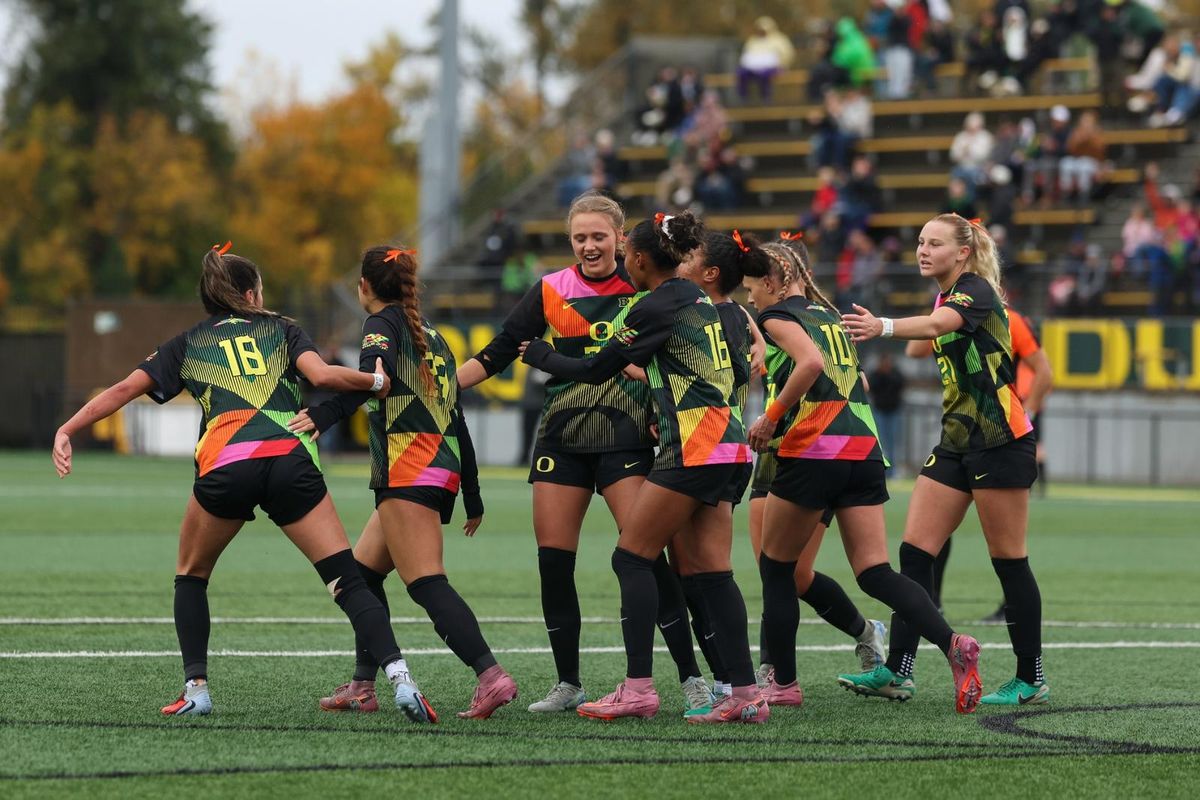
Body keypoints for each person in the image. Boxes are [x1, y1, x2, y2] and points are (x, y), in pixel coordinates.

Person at [51, 242, 424, 719]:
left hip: (227, 465)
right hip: (290, 460)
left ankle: (196, 690)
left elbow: (124, 388)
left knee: (191, 575)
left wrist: (67, 430)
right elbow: (322, 375)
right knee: (346, 581)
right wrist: (374, 382)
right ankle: (401, 678)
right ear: (250, 295)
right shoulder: (282, 328)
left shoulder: (188, 342)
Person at [456, 192, 713, 714]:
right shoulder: (550, 288)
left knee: (648, 560)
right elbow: (499, 351)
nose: (589, 246)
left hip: (628, 440)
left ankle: (691, 678)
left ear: (621, 238)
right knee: (554, 563)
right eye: (579, 238)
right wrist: (442, 388)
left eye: (598, 236)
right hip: (561, 440)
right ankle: (567, 683)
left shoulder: (645, 286)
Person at [522, 211, 765, 725]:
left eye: (626, 254)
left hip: (693, 446)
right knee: (713, 574)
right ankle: (745, 694)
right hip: (730, 445)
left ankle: (637, 690)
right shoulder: (698, 299)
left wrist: (541, 354)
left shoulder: (654, 304)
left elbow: (594, 369)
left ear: (636, 258)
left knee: (631, 558)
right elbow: (709, 366)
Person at [741, 239, 982, 715]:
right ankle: (952, 642)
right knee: (875, 572)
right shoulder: (830, 319)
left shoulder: (777, 318)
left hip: (814, 450)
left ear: (773, 281)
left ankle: (783, 682)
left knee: (777, 568)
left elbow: (810, 364)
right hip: (864, 450)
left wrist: (771, 416)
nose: (751, 297)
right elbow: (860, 381)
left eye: (753, 287)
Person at [291, 245, 517, 721]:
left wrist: (324, 415)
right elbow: (456, 418)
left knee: (426, 582)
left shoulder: (381, 324)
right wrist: (472, 491)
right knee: (362, 576)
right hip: (441, 466)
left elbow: (374, 380)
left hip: (407, 466)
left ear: (364, 286)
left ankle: (491, 676)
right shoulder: (432, 335)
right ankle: (362, 686)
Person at [841, 213, 1050, 707]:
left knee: (1009, 561)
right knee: (916, 554)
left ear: (963, 252)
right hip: (957, 441)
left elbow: (935, 328)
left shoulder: (976, 289)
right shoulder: (949, 296)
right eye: (920, 241)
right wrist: (932, 308)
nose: (922, 250)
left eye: (934, 243)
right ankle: (899, 671)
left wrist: (883, 324)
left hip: (1000, 440)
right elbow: (925, 342)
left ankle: (1031, 678)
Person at [747, 235, 889, 690]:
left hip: (812, 449)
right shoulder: (765, 316)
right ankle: (775, 668)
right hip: (775, 452)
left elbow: (850, 378)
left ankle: (859, 636)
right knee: (775, 569)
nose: (751, 292)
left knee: (790, 572)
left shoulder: (801, 318)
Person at [736, 16, 795, 102]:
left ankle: (766, 99)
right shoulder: (753, 40)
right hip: (753, 68)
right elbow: (746, 54)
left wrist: (780, 63)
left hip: (773, 68)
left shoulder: (779, 40)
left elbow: (788, 54)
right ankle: (743, 98)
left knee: (764, 75)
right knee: (741, 73)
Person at [868, 352, 906, 475]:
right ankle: (882, 470)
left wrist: (888, 375)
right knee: (880, 441)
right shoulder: (875, 375)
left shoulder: (895, 373)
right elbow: (871, 387)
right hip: (879, 411)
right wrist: (881, 375)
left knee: (893, 442)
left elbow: (901, 384)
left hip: (893, 411)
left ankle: (892, 471)